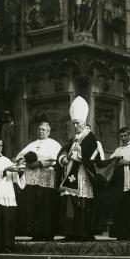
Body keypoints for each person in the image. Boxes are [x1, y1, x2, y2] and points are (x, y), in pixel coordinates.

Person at [57, 96, 99, 241]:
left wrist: (80, 154)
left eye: (77, 123)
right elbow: (62, 155)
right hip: (71, 175)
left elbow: (93, 157)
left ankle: (84, 233)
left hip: (83, 176)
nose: (75, 126)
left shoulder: (90, 138)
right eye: (73, 123)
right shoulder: (72, 139)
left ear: (84, 122)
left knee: (83, 203)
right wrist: (66, 157)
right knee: (71, 203)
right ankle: (70, 233)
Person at [14, 122, 62, 241]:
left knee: (46, 205)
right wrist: (23, 162)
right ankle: (35, 232)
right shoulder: (32, 144)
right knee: (33, 204)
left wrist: (40, 163)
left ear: (49, 132)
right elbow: (19, 157)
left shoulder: (54, 144)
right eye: (39, 129)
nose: (41, 131)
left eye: (43, 130)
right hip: (32, 179)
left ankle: (47, 233)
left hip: (46, 178)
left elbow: (57, 160)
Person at [109, 127, 130, 241]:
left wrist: (127, 163)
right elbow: (110, 162)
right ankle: (121, 235)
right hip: (122, 184)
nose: (123, 138)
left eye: (125, 135)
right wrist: (115, 162)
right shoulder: (118, 150)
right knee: (122, 210)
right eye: (121, 136)